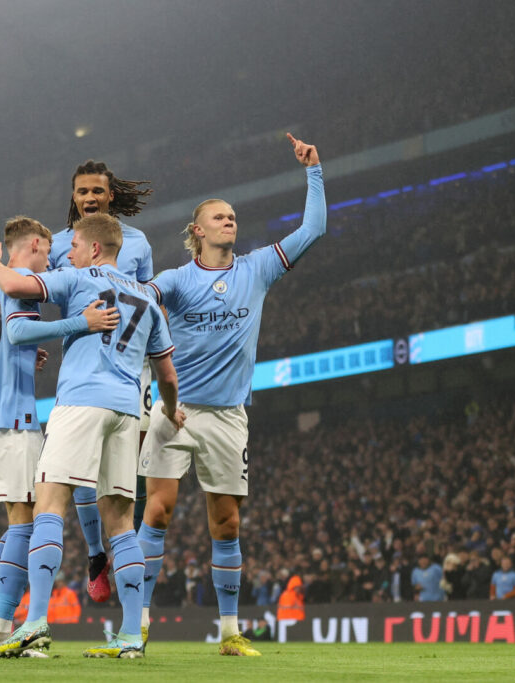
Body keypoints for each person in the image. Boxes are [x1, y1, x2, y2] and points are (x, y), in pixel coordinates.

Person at [137, 133, 326, 657]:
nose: (230, 222)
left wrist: (313, 170)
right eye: (220, 217)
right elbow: (143, 297)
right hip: (175, 410)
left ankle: (229, 633)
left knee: (227, 523)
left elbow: (314, 229)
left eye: (233, 217)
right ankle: (138, 623)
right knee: (158, 512)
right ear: (198, 230)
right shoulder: (177, 279)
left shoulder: (257, 268)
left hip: (227, 416)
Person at [0, 212, 183, 659]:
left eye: (72, 246)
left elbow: (13, 285)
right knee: (122, 524)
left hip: (81, 402)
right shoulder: (147, 297)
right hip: (126, 411)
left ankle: (35, 622)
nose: (65, 253)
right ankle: (131, 636)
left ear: (93, 248)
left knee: (49, 504)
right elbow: (167, 375)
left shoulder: (77, 278)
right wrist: (170, 410)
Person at [0, 216, 118, 655]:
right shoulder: (21, 283)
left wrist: (19, 357)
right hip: (14, 419)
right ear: (31, 246)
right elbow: (17, 330)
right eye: (47, 251)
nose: (51, 260)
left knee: (20, 519)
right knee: (28, 524)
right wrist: (80, 322)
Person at [50, 160, 155, 604]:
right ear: (73, 197)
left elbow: (149, 297)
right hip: (83, 363)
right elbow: (37, 294)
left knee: (131, 470)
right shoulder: (60, 244)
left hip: (132, 367)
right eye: (82, 191)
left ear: (111, 195)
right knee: (80, 468)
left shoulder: (138, 242)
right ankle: (96, 554)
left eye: (97, 190)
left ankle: (123, 547)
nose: (90, 197)